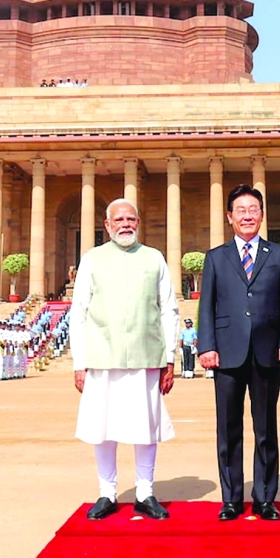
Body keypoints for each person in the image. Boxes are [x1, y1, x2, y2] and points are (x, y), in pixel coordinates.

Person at [69, 198, 179, 521]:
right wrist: (79, 361)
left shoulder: (154, 258)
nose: (125, 224)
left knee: (145, 427)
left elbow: (169, 309)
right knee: (103, 428)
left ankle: (145, 491)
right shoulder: (92, 260)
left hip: (147, 357)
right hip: (102, 357)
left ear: (139, 222)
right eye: (119, 220)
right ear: (107, 225)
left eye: (131, 219)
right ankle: (107, 492)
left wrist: (169, 358)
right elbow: (79, 312)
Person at [198, 184, 280, 522]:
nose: (247, 215)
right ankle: (231, 499)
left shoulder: (279, 255)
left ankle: (265, 499)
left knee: (265, 428)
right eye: (240, 210)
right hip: (226, 353)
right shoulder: (216, 257)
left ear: (261, 215)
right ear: (230, 217)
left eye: (253, 209)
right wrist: (207, 346)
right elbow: (207, 306)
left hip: (268, 351)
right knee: (228, 429)